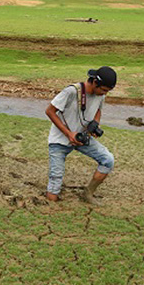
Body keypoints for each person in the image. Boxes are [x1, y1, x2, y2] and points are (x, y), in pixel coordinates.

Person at [44, 66, 117, 205]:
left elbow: (98, 110)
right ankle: (51, 206)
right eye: (103, 90)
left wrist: (94, 125)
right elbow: (50, 111)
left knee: (108, 160)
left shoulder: (100, 95)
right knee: (56, 178)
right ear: (95, 82)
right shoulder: (71, 92)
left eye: (107, 91)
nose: (104, 94)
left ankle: (88, 193)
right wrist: (69, 134)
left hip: (83, 138)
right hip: (60, 140)